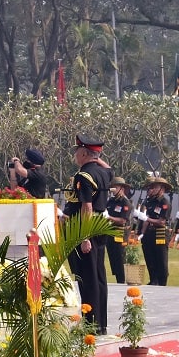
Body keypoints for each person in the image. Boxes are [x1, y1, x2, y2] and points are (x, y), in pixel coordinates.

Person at [63, 134, 113, 334]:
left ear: (83, 153)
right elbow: (109, 169)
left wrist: (84, 237)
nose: (75, 155)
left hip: (87, 229)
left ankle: (91, 324)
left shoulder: (83, 176)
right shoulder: (103, 173)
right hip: (100, 226)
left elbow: (87, 207)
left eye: (77, 151)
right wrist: (95, 155)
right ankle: (100, 324)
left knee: (88, 278)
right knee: (99, 277)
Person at [135, 176, 172, 286]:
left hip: (159, 234)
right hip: (148, 234)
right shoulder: (148, 202)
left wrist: (146, 218)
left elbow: (161, 222)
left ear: (162, 189)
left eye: (155, 187)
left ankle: (162, 282)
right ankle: (153, 280)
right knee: (149, 259)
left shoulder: (164, 203)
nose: (152, 189)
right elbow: (143, 219)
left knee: (161, 259)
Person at [103, 177, 132, 284]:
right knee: (113, 257)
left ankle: (122, 280)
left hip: (120, 234)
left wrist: (109, 217)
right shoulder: (110, 201)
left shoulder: (125, 202)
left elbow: (122, 220)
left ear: (122, 188)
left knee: (120, 257)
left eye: (115, 187)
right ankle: (118, 279)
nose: (113, 189)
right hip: (110, 234)